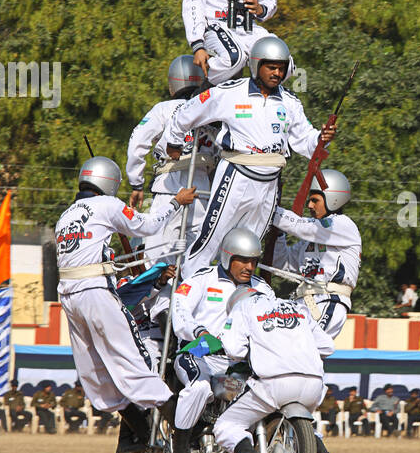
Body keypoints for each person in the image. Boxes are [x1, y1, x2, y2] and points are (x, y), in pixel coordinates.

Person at [54, 155, 196, 453]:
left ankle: (138, 436)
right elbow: (147, 225)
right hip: (94, 292)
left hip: (68, 297)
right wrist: (176, 202)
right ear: (110, 183)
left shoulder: (65, 216)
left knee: (96, 372)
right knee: (135, 362)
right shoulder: (108, 206)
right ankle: (185, 433)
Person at [166, 36, 335, 268]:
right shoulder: (230, 92)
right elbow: (187, 112)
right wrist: (173, 142)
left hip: (269, 183)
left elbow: (306, 141)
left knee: (250, 248)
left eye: (281, 68)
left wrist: (321, 138)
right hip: (236, 175)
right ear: (256, 65)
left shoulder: (290, 102)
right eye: (271, 67)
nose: (276, 73)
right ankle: (188, 290)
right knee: (210, 241)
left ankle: (237, 298)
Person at [167, 226, 279, 453]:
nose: (249, 266)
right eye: (243, 260)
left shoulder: (262, 288)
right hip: (199, 353)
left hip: (238, 363)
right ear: (228, 257)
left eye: (254, 261)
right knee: (199, 389)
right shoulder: (201, 279)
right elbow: (179, 311)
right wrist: (199, 332)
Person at [206, 284, 335, 453]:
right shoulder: (296, 307)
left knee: (226, 425)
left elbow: (234, 349)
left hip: (275, 383)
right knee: (304, 425)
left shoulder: (242, 307)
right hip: (313, 384)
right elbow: (327, 346)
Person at [126, 55, 220, 265]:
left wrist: (136, 183)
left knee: (158, 259)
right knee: (196, 262)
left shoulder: (164, 109)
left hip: (170, 189)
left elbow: (137, 142)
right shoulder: (213, 113)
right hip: (202, 193)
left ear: (173, 83)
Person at [269, 168, 360, 339]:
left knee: (305, 351)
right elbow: (282, 263)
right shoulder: (309, 241)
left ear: (333, 199)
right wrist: (278, 234)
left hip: (329, 301)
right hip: (302, 303)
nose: (309, 205)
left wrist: (270, 210)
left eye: (315, 200)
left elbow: (302, 227)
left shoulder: (343, 225)